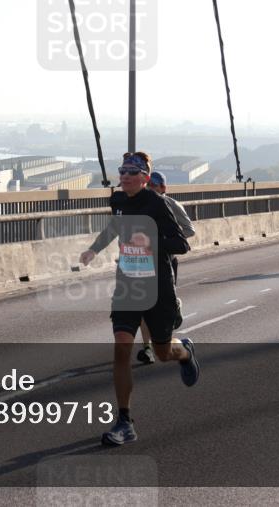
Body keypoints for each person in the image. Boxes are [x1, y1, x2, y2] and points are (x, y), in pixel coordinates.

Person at [79, 152, 199, 446]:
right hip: (127, 286)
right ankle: (124, 421)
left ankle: (182, 351)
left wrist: (150, 240)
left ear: (144, 177)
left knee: (162, 353)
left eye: (131, 172)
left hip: (157, 288)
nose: (124, 176)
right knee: (122, 346)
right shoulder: (118, 201)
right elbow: (113, 228)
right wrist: (94, 249)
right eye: (122, 171)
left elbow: (181, 244)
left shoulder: (156, 204)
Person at [136, 171, 195, 364]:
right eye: (149, 184)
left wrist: (164, 240)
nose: (151, 188)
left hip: (165, 261)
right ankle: (147, 348)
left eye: (156, 185)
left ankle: (174, 306)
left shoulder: (170, 204)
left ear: (163, 188)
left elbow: (188, 230)